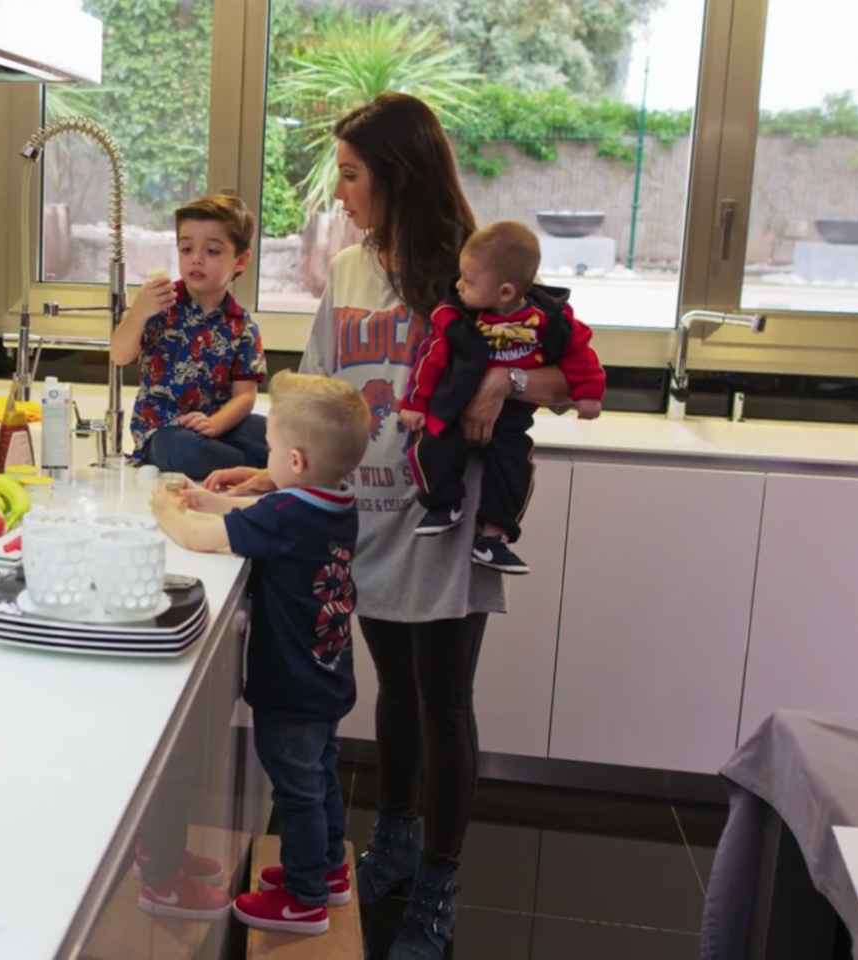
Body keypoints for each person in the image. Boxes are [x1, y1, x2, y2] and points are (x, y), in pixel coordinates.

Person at [205, 94, 574, 959]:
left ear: (396, 176)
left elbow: (566, 377)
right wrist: (270, 469)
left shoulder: (477, 271)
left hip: (443, 518)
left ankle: (438, 882)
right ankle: (396, 843)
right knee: (395, 692)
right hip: (359, 513)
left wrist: (502, 385)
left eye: (351, 172)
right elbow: (316, 391)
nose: (340, 191)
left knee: (444, 700)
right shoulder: (350, 270)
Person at [152, 371, 370, 937]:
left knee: (296, 788)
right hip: (328, 673)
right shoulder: (335, 501)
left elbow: (201, 536)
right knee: (319, 775)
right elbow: (258, 515)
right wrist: (209, 498)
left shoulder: (288, 515)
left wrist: (166, 507)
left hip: (291, 683)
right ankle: (325, 872)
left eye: (270, 448)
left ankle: (303, 900)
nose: (264, 455)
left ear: (295, 461)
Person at [399, 221, 606, 575]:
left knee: (513, 468)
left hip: (511, 420)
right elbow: (429, 360)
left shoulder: (549, 320)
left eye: (468, 281)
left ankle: (493, 536)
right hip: (454, 408)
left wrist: (589, 394)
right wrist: (415, 404)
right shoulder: (454, 316)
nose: (458, 286)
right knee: (432, 447)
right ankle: (443, 505)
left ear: (506, 292)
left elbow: (579, 355)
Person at [110, 193, 268, 481]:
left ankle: (237, 463)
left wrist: (215, 424)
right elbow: (119, 355)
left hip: (217, 430)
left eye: (212, 251)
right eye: (186, 249)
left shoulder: (242, 325)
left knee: (268, 432)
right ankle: (248, 468)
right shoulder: (159, 305)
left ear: (241, 261)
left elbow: (244, 397)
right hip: (164, 433)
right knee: (181, 449)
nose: (196, 259)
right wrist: (138, 312)